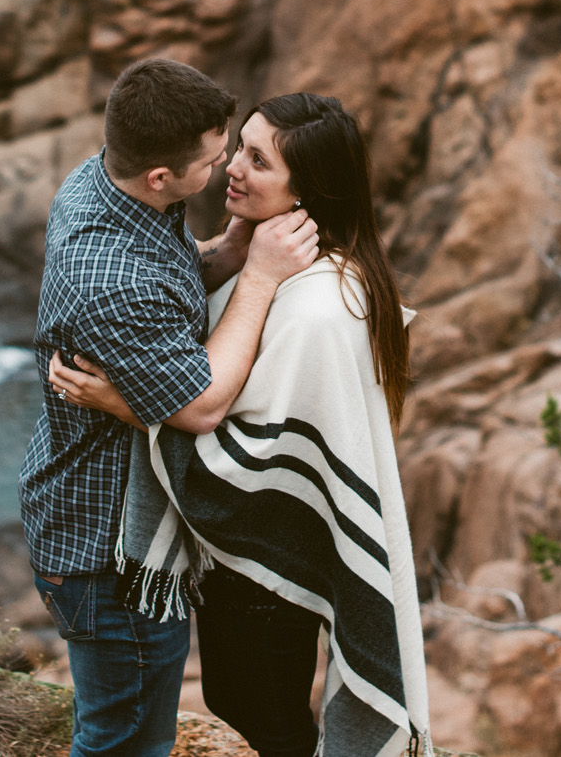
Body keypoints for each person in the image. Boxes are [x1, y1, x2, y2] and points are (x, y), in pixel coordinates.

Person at [49, 92, 431, 757]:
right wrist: (234, 259)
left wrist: (128, 404)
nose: (234, 166)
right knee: (241, 700)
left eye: (258, 160)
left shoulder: (318, 305)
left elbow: (241, 459)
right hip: (242, 565)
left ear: (306, 191)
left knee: (263, 711)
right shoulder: (274, 259)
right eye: (241, 145)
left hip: (270, 559)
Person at [20, 59, 321, 757]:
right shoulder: (109, 274)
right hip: (104, 549)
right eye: (218, 160)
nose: (227, 171)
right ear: (162, 175)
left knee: (125, 725)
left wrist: (238, 245)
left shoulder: (108, 184)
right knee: (123, 739)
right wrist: (265, 278)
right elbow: (204, 404)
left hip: (94, 520)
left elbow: (177, 275)